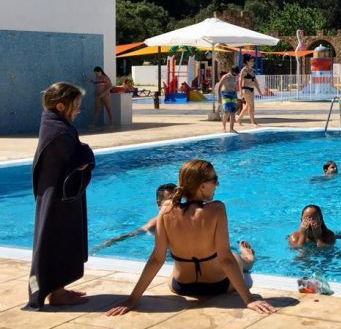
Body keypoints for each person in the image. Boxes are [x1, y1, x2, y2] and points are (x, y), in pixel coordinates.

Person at [106, 159, 274, 316]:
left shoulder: (165, 210)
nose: (218, 184)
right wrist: (249, 299)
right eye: (214, 180)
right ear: (201, 186)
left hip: (180, 287)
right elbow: (225, 260)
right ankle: (248, 258)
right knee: (235, 257)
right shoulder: (216, 209)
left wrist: (132, 299)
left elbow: (157, 259)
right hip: (217, 286)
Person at [27, 82, 96, 309]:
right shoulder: (58, 131)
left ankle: (59, 287)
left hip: (58, 196)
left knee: (63, 239)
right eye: (75, 106)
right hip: (57, 199)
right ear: (60, 106)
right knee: (57, 240)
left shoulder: (55, 125)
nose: (77, 110)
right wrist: (86, 153)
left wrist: (81, 152)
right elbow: (74, 159)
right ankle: (56, 293)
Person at [90, 184, 177, 254]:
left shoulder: (187, 217)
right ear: (159, 203)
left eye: (178, 199)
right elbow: (129, 235)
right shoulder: (154, 225)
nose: (176, 203)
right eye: (170, 200)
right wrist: (100, 247)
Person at [237, 55, 261, 126]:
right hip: (246, 89)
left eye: (253, 61)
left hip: (251, 89)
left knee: (247, 106)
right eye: (251, 61)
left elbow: (255, 81)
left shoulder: (252, 70)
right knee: (251, 105)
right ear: (247, 62)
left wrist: (259, 90)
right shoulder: (244, 70)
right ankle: (253, 122)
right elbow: (240, 81)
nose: (253, 62)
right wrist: (240, 91)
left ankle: (238, 119)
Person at [216, 67, 240, 133]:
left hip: (233, 95)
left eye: (236, 74)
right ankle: (224, 126)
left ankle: (231, 128)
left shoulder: (235, 77)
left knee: (232, 112)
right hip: (225, 94)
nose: (236, 75)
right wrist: (219, 97)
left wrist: (236, 96)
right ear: (231, 71)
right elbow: (219, 87)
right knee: (227, 112)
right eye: (234, 74)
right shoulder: (225, 77)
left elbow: (235, 87)